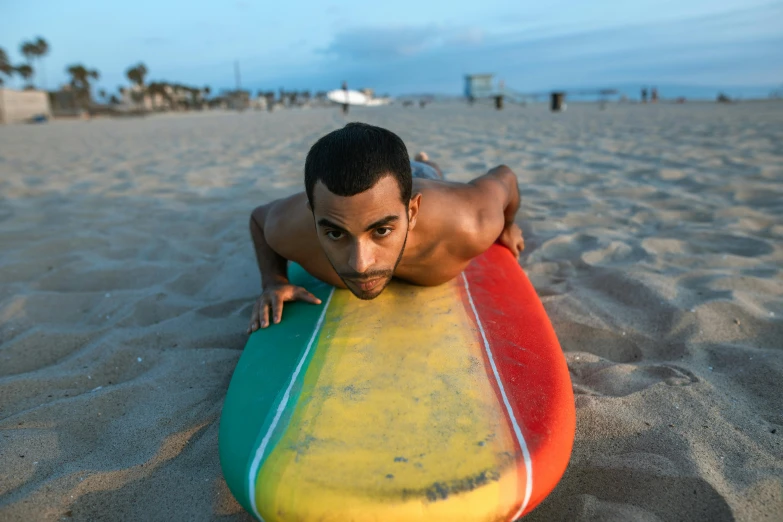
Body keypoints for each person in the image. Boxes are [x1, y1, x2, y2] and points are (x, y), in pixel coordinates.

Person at [247, 123, 525, 332]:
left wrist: (509, 225)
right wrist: (274, 281)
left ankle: (425, 162)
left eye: (381, 231)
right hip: (381, 189)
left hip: (431, 188)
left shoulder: (472, 221)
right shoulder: (288, 225)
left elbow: (506, 177)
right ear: (313, 215)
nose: (360, 265)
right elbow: (258, 219)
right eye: (335, 233)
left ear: (412, 212)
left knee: (427, 172)